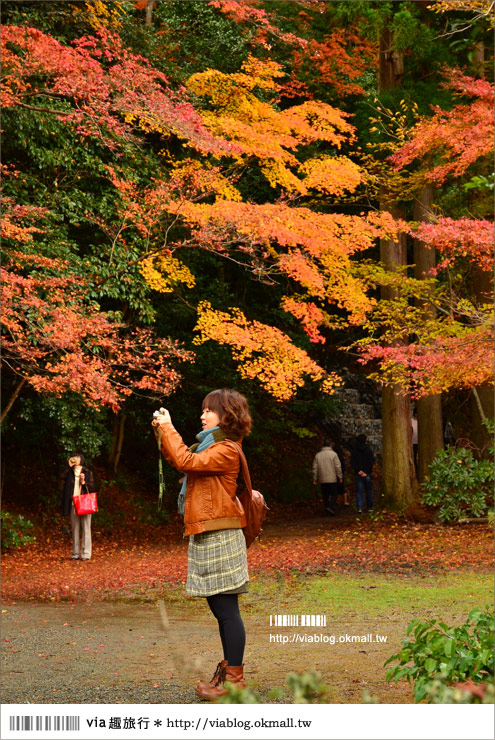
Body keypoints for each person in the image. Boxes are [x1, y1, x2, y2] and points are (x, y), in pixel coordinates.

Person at [152, 389, 251, 700]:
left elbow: (186, 461)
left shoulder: (227, 449)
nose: (203, 414)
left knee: (226, 609)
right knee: (219, 607)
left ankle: (234, 681)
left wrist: (169, 428)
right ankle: (228, 674)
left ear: (227, 415)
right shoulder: (210, 446)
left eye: (209, 410)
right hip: (210, 532)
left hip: (221, 534)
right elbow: (181, 459)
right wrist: (162, 431)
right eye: (204, 409)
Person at [60, 452, 95, 561]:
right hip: (73, 502)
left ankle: (86, 554)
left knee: (86, 528)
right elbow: (61, 477)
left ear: (81, 459)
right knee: (75, 529)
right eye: (73, 457)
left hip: (84, 502)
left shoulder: (88, 472)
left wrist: (84, 482)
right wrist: (68, 466)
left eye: (77, 457)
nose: (75, 458)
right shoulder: (69, 472)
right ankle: (75, 553)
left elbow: (93, 488)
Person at [312, 438, 343, 515]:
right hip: (332, 478)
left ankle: (327, 508)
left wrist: (315, 478)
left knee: (325, 495)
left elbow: (314, 468)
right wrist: (340, 476)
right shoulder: (334, 454)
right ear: (330, 446)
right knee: (334, 494)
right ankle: (330, 506)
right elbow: (338, 466)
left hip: (322, 479)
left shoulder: (318, 455)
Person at [350, 434, 375, 514]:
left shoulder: (354, 451)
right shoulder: (369, 450)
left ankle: (359, 508)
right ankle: (370, 507)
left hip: (358, 473)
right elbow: (371, 462)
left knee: (359, 491)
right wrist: (366, 472)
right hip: (367, 473)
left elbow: (353, 462)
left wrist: (358, 471)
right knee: (369, 491)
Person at [333, 441, 349, 506]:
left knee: (333, 489)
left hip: (332, 475)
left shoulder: (332, 457)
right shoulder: (340, 457)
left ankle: (334, 502)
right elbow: (343, 467)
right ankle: (345, 502)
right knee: (343, 489)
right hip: (340, 475)